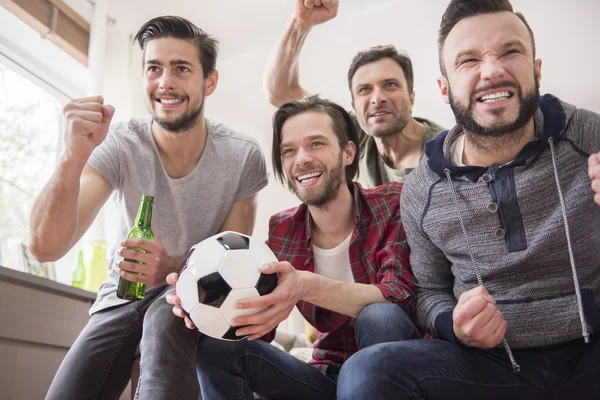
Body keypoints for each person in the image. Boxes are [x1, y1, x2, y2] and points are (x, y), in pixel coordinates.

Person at [337, 0, 600, 398]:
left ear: (536, 69)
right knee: (368, 372)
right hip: (492, 365)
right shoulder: (421, 189)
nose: (492, 72)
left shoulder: (589, 135)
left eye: (510, 52)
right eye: (469, 60)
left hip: (592, 346)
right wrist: (453, 326)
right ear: (444, 89)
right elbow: (428, 292)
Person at [29, 16, 268, 400]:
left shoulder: (242, 157)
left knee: (165, 319)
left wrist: (172, 268)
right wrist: (72, 159)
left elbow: (233, 272)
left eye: (181, 69)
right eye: (153, 68)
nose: (165, 82)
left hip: (192, 304)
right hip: (121, 298)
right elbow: (45, 248)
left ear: (209, 81)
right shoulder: (121, 143)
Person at [167, 95, 420, 399]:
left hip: (396, 377)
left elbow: (401, 296)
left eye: (316, 144)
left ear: (348, 152)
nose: (301, 159)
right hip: (326, 378)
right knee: (218, 348)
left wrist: (305, 286)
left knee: (379, 316)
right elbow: (262, 325)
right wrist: (202, 305)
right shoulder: (284, 229)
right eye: (289, 150)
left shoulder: (393, 203)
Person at [263, 0, 445, 188]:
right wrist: (300, 23)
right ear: (354, 107)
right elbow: (280, 92)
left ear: (411, 98)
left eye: (390, 85)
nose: (377, 99)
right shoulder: (359, 134)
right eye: (364, 90)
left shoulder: (447, 152)